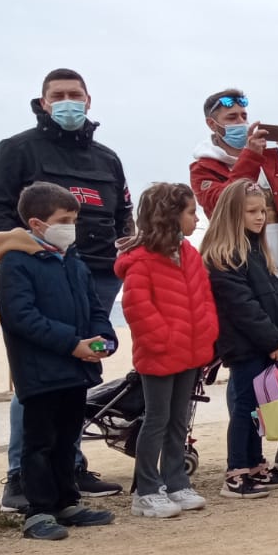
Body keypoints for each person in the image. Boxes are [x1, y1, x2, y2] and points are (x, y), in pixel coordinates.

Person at [0, 68, 131, 509]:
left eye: (75, 95)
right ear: (44, 102)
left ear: (89, 100)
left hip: (96, 274)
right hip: (39, 274)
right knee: (41, 379)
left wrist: (124, 248)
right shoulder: (17, 149)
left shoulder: (107, 157)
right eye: (58, 95)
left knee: (76, 376)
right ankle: (20, 477)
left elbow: (123, 208)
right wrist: (27, 251)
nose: (68, 101)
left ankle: (69, 469)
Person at [191, 90, 278, 470]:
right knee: (248, 373)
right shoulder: (203, 167)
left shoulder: (270, 158)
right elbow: (221, 204)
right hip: (244, 273)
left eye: (244, 114)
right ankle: (246, 456)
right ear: (212, 124)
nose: (241, 122)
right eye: (231, 118)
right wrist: (250, 154)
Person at [0, 183, 119, 541]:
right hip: (40, 371)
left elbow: (95, 307)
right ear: (37, 222)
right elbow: (21, 318)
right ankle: (38, 510)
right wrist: (71, 344)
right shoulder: (16, 263)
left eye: (74, 219)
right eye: (64, 220)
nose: (71, 227)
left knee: (67, 439)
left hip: (75, 370)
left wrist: (104, 339)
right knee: (40, 442)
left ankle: (67, 500)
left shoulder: (72, 261)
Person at [113, 182, 219, 518]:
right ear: (170, 215)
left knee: (179, 421)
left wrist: (207, 334)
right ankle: (146, 488)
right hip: (160, 354)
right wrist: (164, 340)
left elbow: (204, 297)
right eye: (190, 212)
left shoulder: (189, 253)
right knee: (156, 419)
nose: (197, 218)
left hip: (191, 352)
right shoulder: (141, 259)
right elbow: (137, 308)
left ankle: (176, 482)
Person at [202, 180, 278, 497]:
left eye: (263, 211)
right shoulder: (224, 256)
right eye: (252, 211)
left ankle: (256, 464)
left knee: (262, 408)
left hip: (269, 345)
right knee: (245, 408)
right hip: (245, 348)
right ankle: (236, 471)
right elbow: (243, 308)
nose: (260, 217)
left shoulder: (257, 250)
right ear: (233, 213)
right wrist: (273, 341)